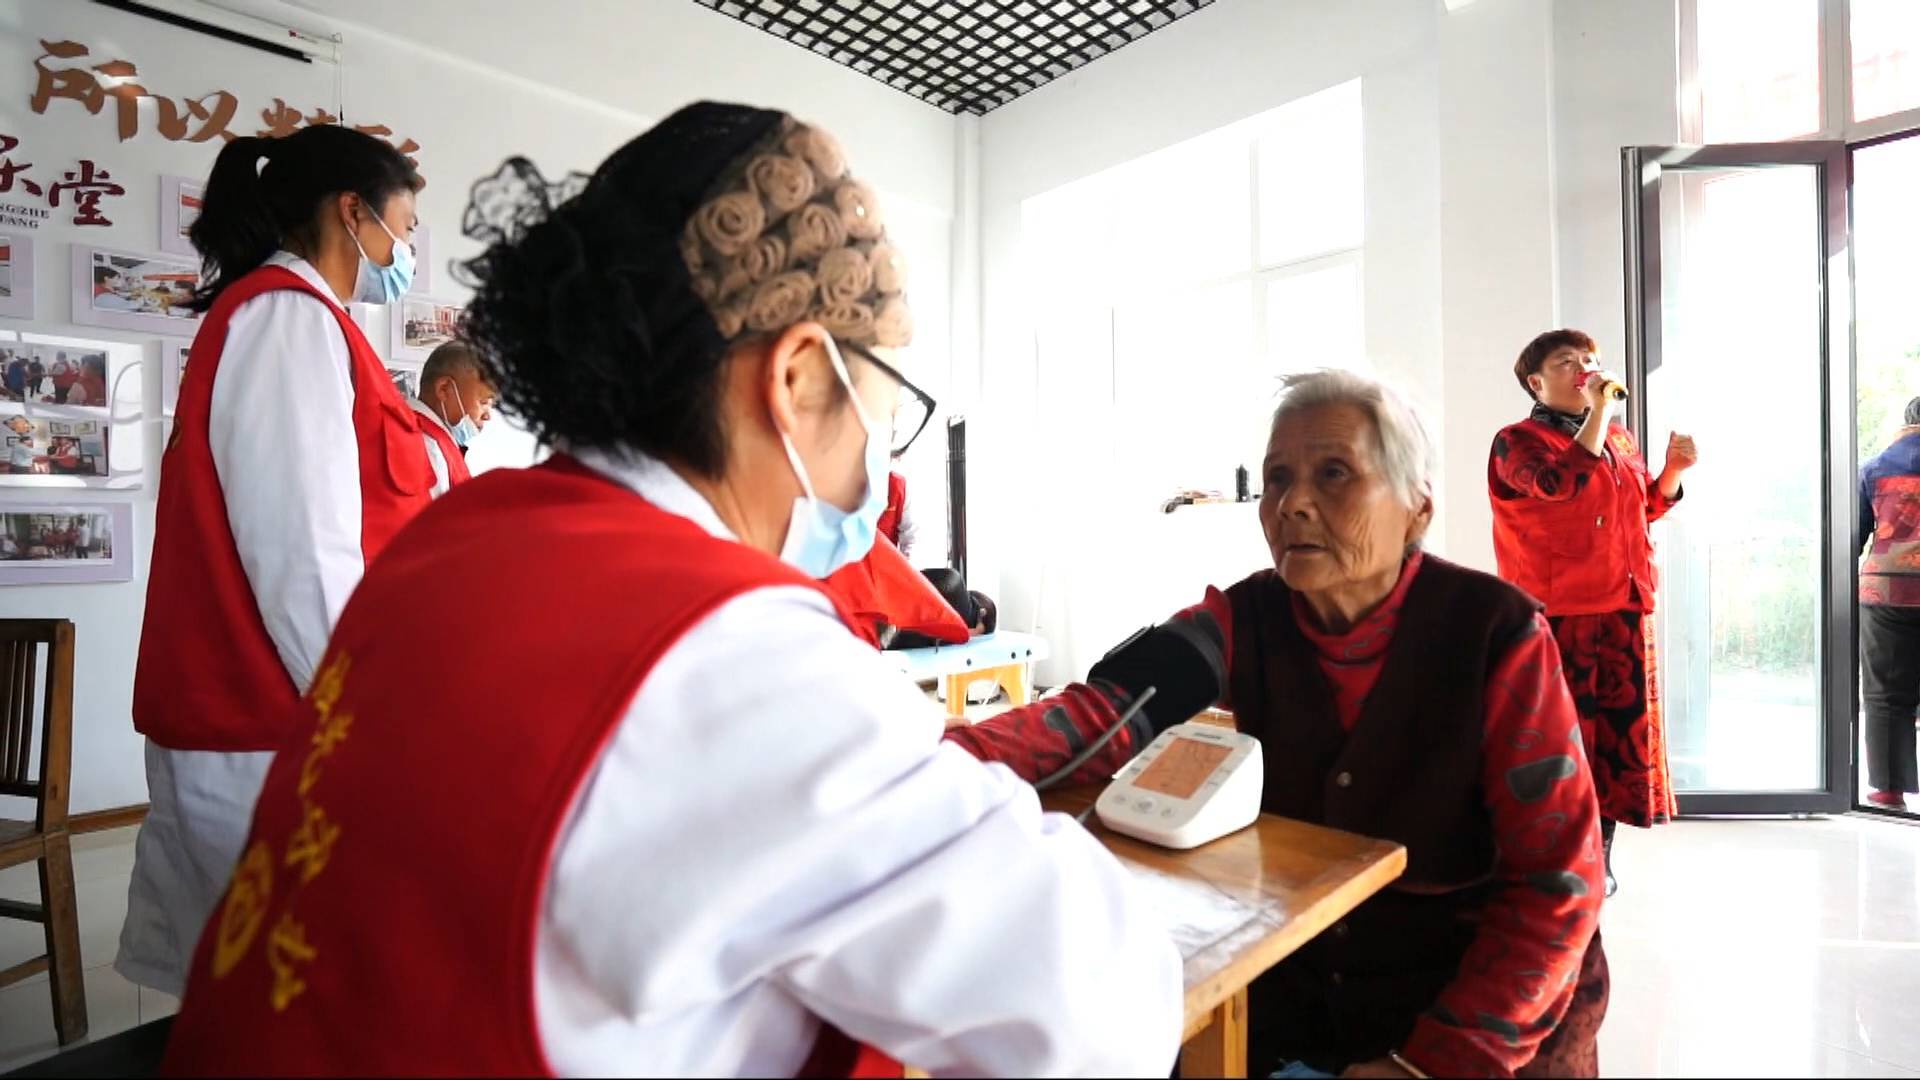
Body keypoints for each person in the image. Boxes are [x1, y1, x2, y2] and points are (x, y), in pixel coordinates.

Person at [159, 103, 1181, 1077]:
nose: (875, 464)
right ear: (797, 380)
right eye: (883, 413)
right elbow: (1101, 1016)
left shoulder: (456, 541)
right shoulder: (724, 651)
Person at [944, 369, 1609, 1078]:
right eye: (1277, 479)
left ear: (1417, 508)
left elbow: (1559, 884)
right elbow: (1100, 712)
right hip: (1308, 987)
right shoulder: (1244, 617)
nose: (1293, 504)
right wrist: (928, 769)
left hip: (1473, 1007)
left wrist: (1436, 1062)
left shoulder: (1495, 634)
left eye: (1334, 474)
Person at [119, 123, 433, 998]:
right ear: (353, 212)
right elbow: (303, 557)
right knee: (276, 996)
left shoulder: (305, 320)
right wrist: (358, 723)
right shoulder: (288, 318)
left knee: (258, 992)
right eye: (404, 229)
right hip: (264, 723)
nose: (404, 255)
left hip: (275, 720)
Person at [1488, 329, 1697, 896]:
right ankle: (1547, 857)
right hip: (1559, 612)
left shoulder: (1618, 439)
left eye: (1591, 359)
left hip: (1625, 604)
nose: (1585, 367)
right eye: (1568, 361)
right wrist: (1599, 413)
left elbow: (1641, 507)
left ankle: (1598, 859)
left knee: (1616, 746)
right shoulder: (1516, 442)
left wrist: (1673, 472)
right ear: (1537, 383)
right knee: (1561, 740)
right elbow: (1558, 484)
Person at [1859, 395, 1920, 810]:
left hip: (1886, 592)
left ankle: (1888, 788)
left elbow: (1854, 534)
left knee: (1884, 692)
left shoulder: (1875, 467)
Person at [409, 339, 496, 496]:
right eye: (483, 402)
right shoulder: (429, 448)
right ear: (444, 389)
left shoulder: (422, 433)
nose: (488, 415)